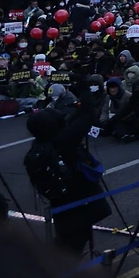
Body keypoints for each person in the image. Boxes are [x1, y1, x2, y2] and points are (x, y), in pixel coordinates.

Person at [23, 108, 111, 255]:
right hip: (78, 202)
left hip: (61, 203)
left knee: (67, 238)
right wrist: (85, 97)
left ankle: (58, 262)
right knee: (73, 243)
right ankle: (62, 267)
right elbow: (88, 115)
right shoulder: (63, 141)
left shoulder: (41, 145)